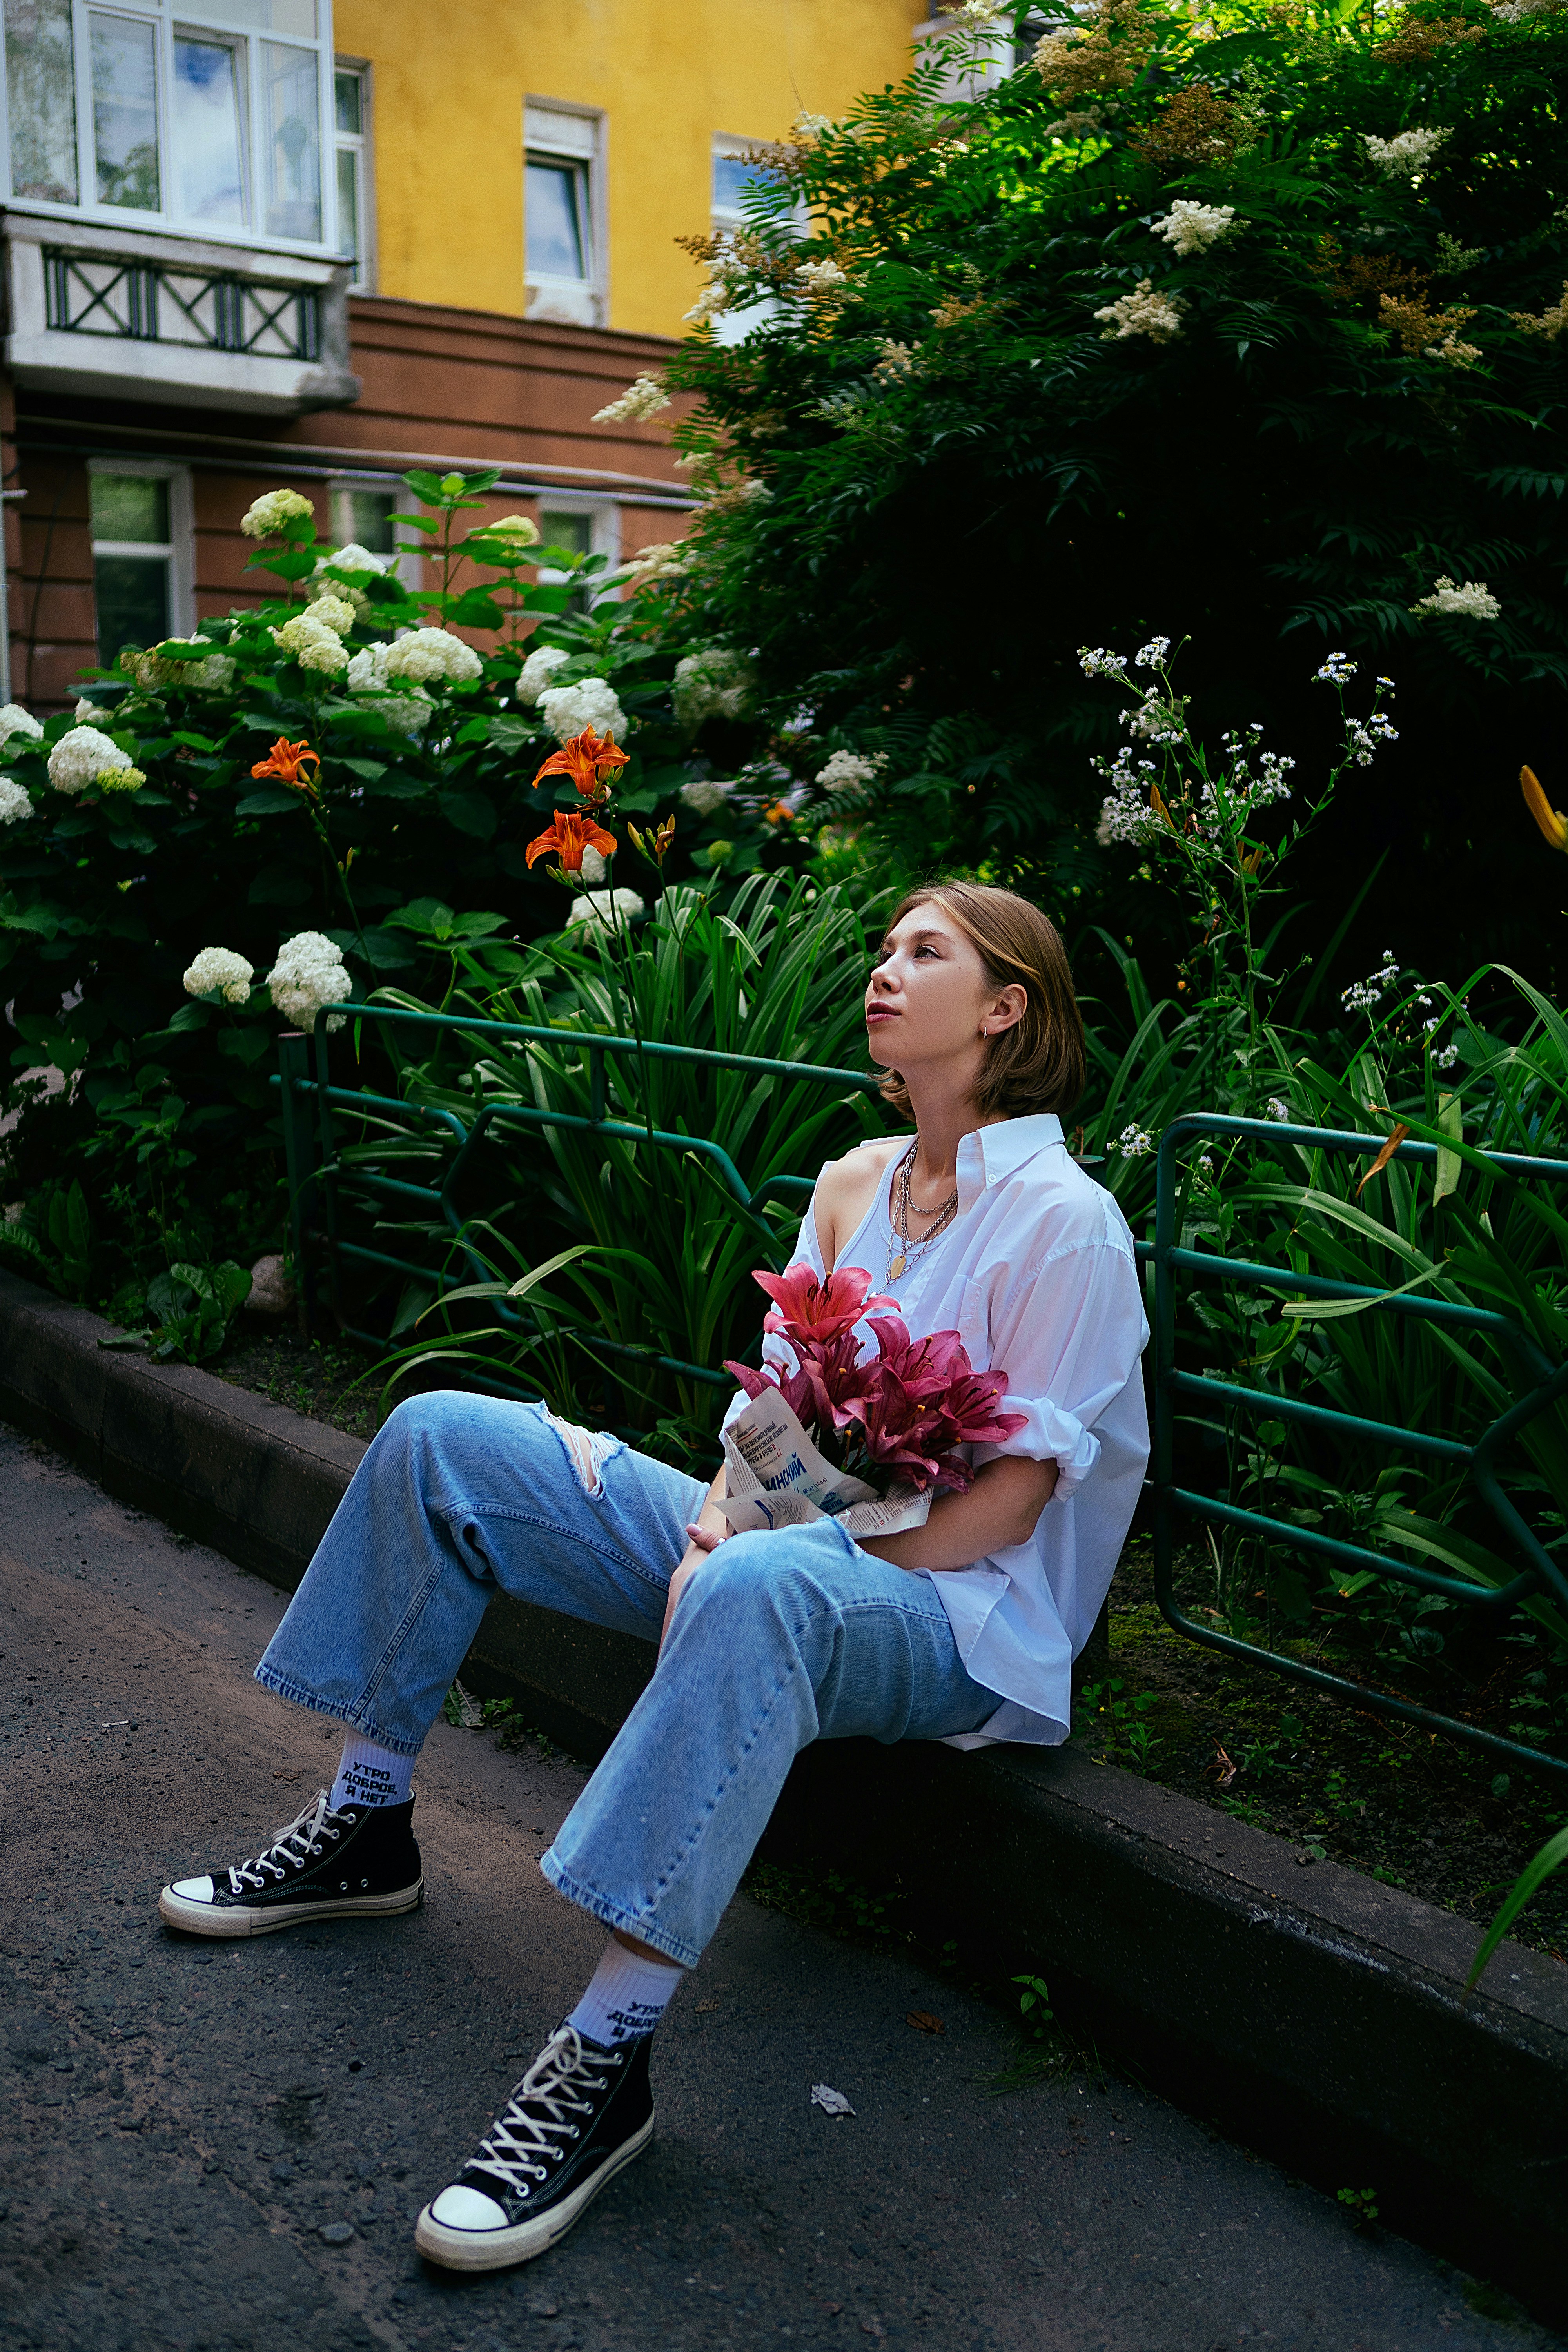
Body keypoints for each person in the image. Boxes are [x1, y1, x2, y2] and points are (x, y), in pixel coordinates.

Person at [158, 879, 1150, 2274]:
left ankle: (605, 2063)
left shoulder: (1067, 1223)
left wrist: (765, 1552)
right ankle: (366, 1822)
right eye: (880, 945)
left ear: (1007, 1009)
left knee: (754, 1594)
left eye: (924, 952)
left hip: (954, 1615)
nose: (883, 969)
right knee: (444, 1435)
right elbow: (781, 1408)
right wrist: (717, 1520)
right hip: (773, 1546)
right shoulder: (858, 1181)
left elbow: (1007, 1504)